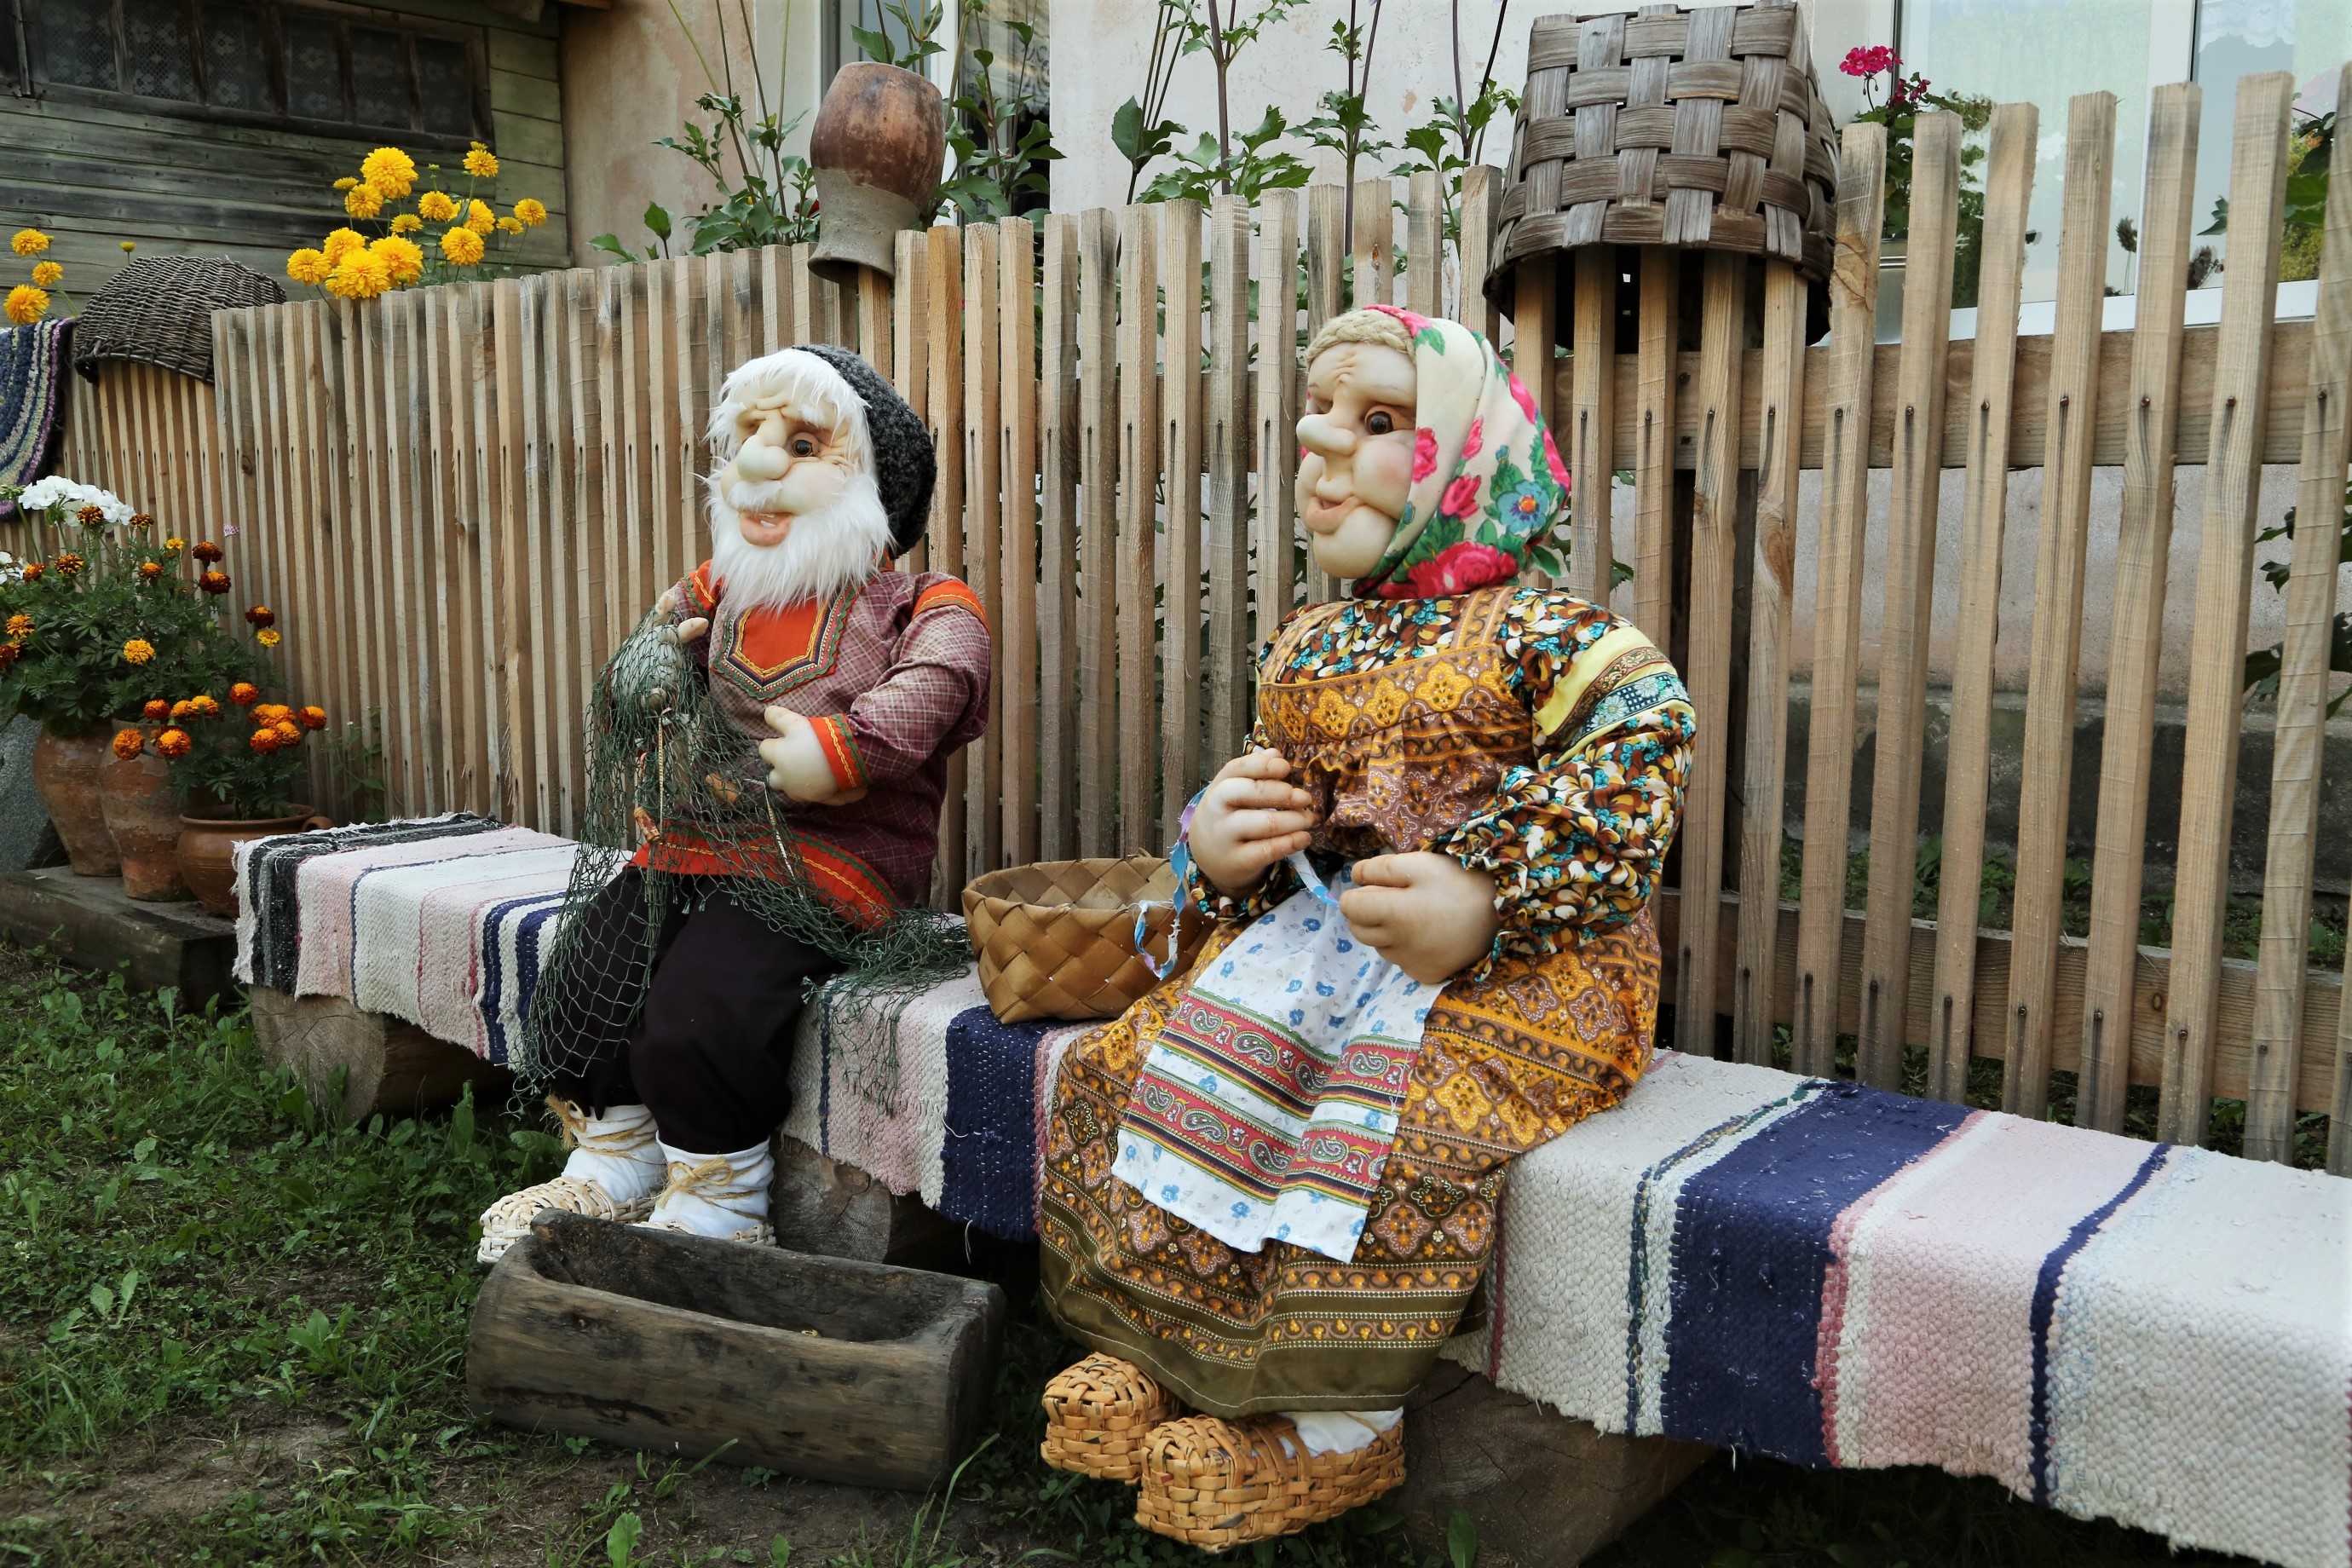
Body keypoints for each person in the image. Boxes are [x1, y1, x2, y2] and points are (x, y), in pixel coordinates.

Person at [1035, 304, 1695, 1542]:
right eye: (1320, 411)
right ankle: (1166, 1347)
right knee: (1141, 1061)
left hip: (1519, 970)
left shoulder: (1558, 636)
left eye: (1379, 418)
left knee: (1392, 1119)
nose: (1319, 440)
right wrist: (1222, 844)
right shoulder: (1311, 645)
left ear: (1468, 458)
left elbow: (1641, 763)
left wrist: (1487, 894)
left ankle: (1340, 1419)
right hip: (1330, 952)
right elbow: (1278, 806)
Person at [476, 344, 989, 1263]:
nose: (755, 461)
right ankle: (617, 1158)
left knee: (704, 1002)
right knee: (592, 965)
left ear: (876, 480)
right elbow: (644, 652)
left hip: (830, 862)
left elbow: (942, 681)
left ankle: (722, 1197)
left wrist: (844, 748)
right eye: (749, 433)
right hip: (694, 841)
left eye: (802, 443)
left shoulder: (922, 602)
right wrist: (648, 672)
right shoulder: (718, 589)